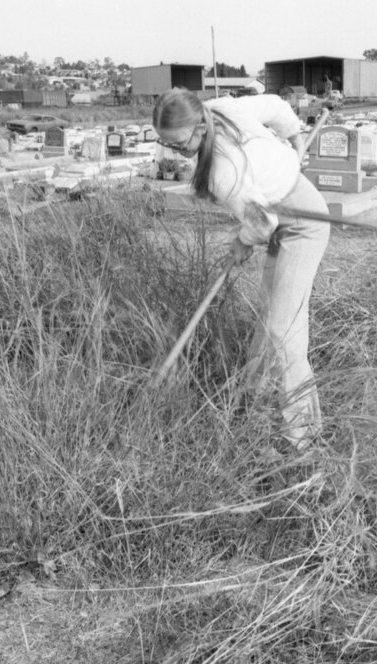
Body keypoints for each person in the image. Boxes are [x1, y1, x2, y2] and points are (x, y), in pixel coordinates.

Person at [152, 89, 331, 450]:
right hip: (279, 220)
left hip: (302, 227)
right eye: (166, 144)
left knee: (284, 333)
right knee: (268, 317)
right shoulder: (219, 109)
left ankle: (304, 439)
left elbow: (261, 223)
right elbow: (277, 107)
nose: (174, 152)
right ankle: (255, 405)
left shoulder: (223, 169)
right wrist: (295, 141)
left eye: (178, 144)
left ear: (200, 125)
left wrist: (242, 242)